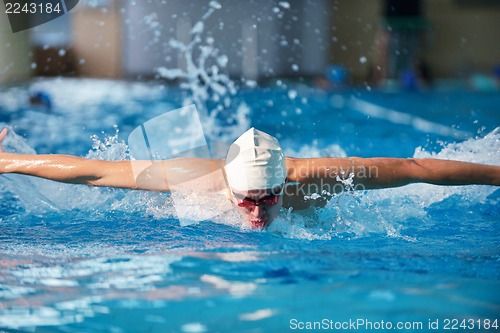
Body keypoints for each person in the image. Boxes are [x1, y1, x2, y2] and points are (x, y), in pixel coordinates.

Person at [1, 127, 499, 229]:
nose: (260, 211)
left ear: (286, 184)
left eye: (269, 198)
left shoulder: (316, 179)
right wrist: (7, 162)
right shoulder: (195, 180)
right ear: (229, 189)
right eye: (247, 202)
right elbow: (91, 172)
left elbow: (419, 171)